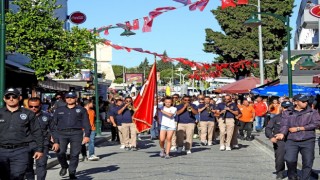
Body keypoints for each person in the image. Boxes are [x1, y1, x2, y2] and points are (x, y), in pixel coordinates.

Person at [0, 88, 44, 180]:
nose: (11, 99)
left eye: (14, 96)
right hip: (2, 150)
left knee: (17, 175)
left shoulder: (28, 114)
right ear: (4, 99)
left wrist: (39, 149)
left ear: (19, 98)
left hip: (21, 150)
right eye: (8, 97)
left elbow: (37, 132)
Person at [275, 94, 320, 180]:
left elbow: (316, 124)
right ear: (296, 102)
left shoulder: (312, 112)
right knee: (289, 159)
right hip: (292, 140)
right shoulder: (287, 112)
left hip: (308, 140)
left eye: (306, 101)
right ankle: (292, 177)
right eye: (303, 101)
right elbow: (285, 125)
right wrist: (282, 133)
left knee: (308, 162)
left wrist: (300, 128)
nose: (305, 103)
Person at [53, 91, 91, 179]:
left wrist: (87, 135)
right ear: (65, 99)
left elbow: (86, 123)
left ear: (76, 99)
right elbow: (53, 124)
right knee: (60, 152)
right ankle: (64, 165)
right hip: (62, 133)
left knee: (75, 154)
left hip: (76, 133)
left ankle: (72, 172)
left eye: (72, 97)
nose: (70, 99)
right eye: (67, 97)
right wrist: (53, 136)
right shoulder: (59, 110)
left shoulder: (81, 110)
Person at [25, 97, 60, 180]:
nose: (33, 108)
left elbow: (53, 130)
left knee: (41, 165)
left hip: (43, 143)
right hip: (26, 144)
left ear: (40, 105)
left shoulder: (47, 116)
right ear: (28, 106)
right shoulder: (23, 116)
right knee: (27, 166)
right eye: (31, 106)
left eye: (36, 106)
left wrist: (56, 142)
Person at [265, 101, 293, 179]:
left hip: (292, 140)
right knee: (280, 158)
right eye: (285, 108)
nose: (287, 109)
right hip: (280, 141)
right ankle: (280, 172)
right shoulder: (276, 118)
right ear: (282, 108)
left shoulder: (295, 117)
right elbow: (268, 128)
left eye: (289, 107)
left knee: (292, 158)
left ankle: (292, 173)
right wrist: (271, 137)